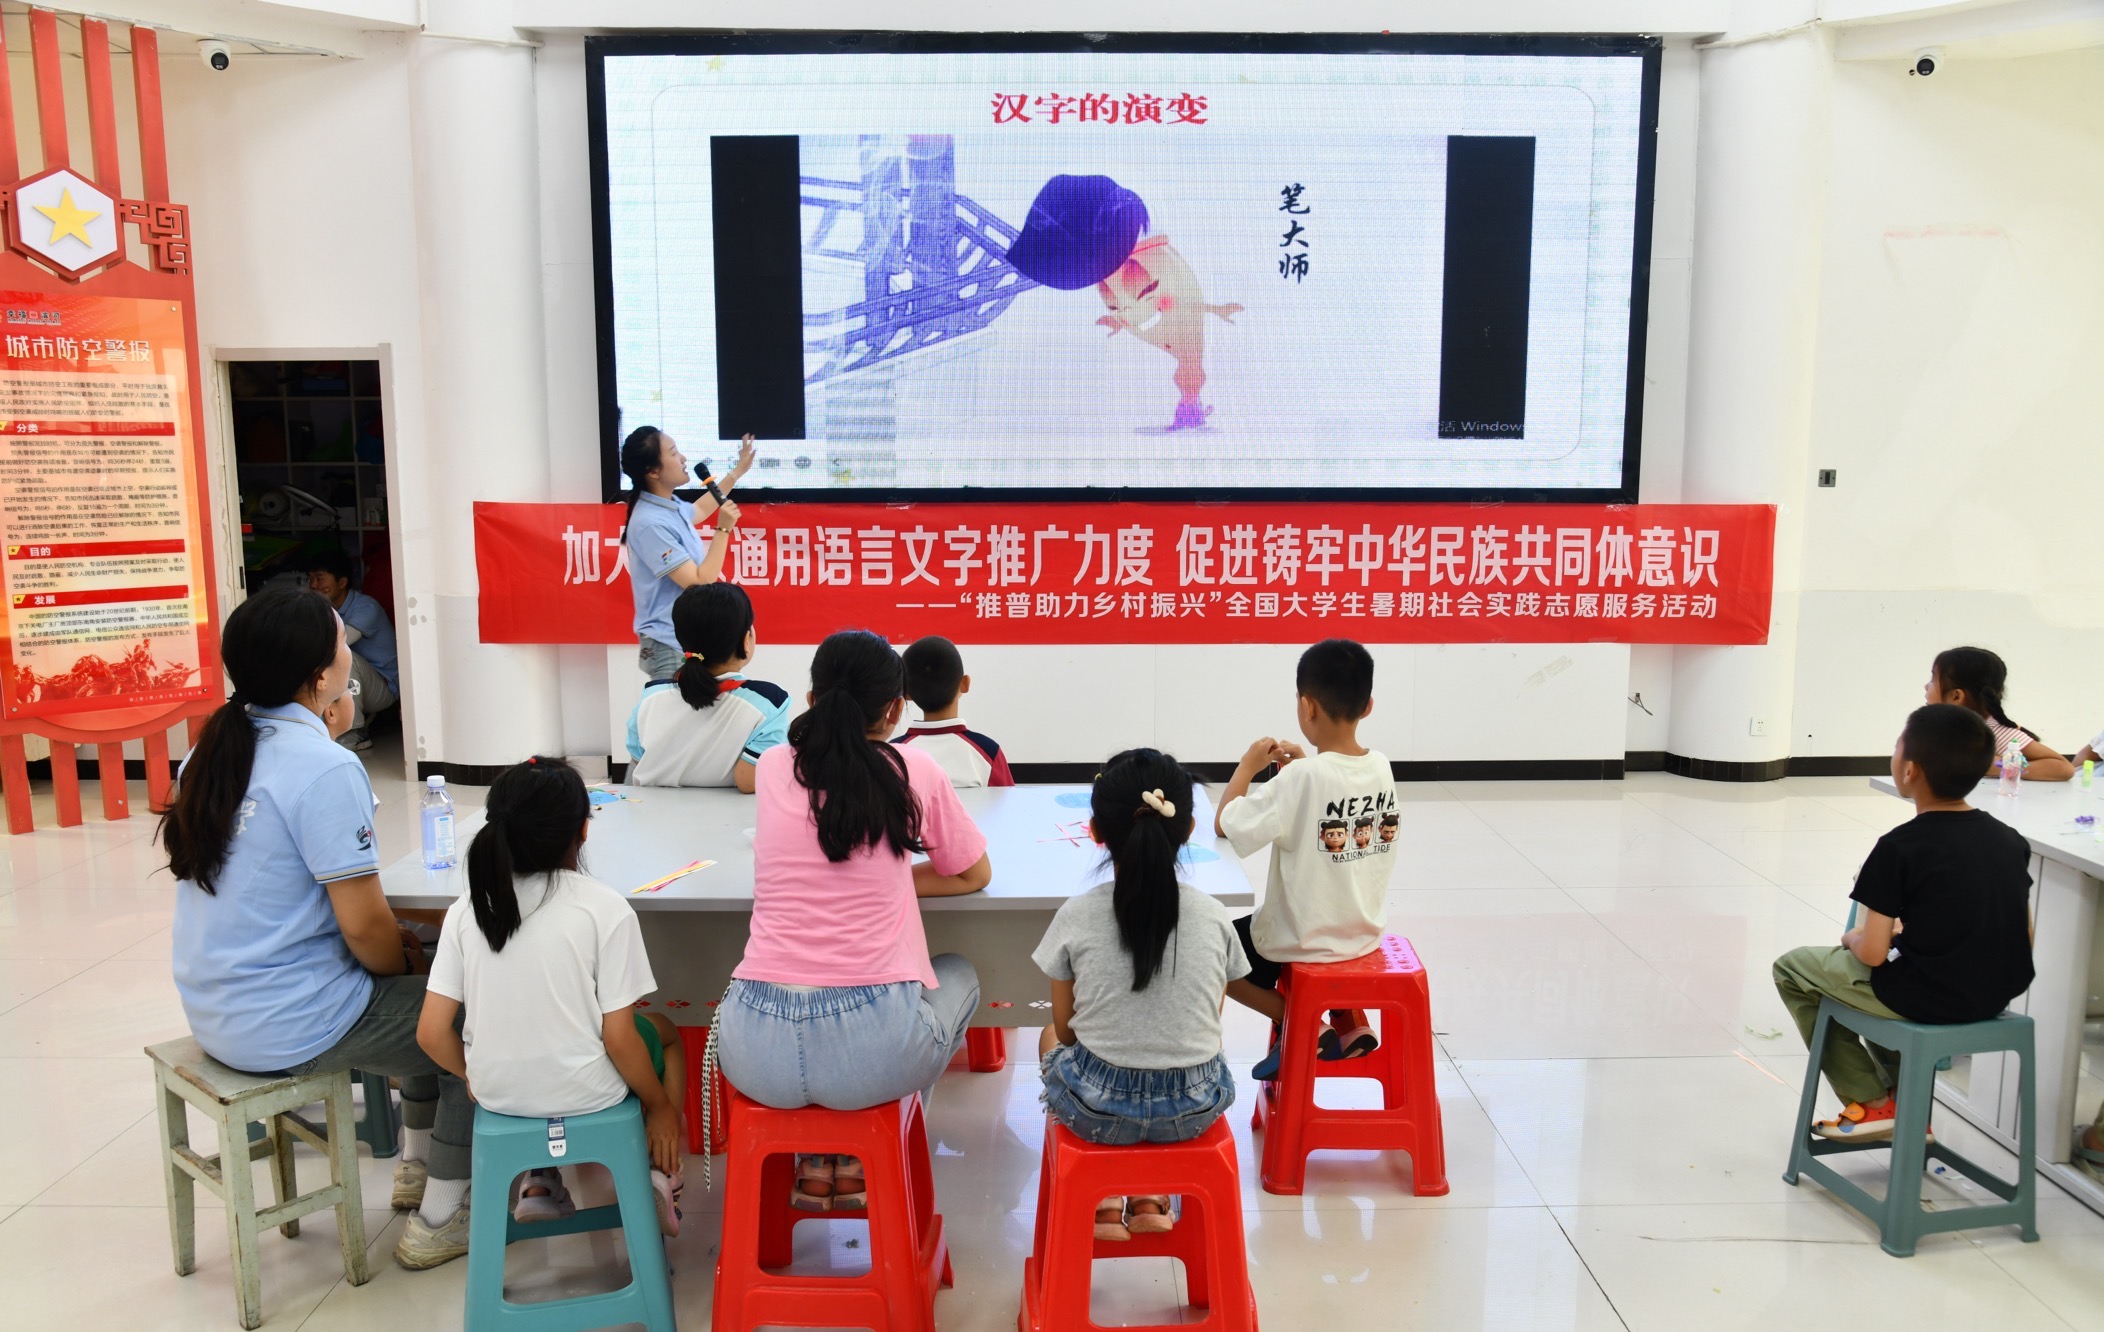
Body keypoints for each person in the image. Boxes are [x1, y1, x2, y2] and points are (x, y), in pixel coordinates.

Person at [161, 587, 474, 1271]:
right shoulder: (323, 765)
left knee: (424, 987)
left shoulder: (210, 750)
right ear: (321, 677)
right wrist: (406, 964)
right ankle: (444, 1213)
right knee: (465, 1018)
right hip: (289, 1021)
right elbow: (363, 928)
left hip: (215, 1009)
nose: (348, 653)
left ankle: (418, 1166)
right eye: (341, 643)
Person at [714, 630, 992, 1211]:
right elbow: (972, 874)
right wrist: (894, 875)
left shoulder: (774, 766)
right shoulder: (913, 769)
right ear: (896, 709)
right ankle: (867, 1148)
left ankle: (819, 1156)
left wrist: (884, 875)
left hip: (755, 1049)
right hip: (873, 1051)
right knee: (960, 972)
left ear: (812, 700)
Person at [415, 757, 687, 1235]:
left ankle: (539, 1180)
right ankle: (659, 1172)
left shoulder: (467, 909)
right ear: (583, 830)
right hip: (589, 1092)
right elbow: (619, 1038)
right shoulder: (605, 908)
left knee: (539, 1034)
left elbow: (431, 1033)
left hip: (500, 1093)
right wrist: (661, 1107)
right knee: (664, 1033)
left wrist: (473, 1075)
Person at [1772, 704, 2034, 1140]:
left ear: (1909, 770)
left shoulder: (1898, 847)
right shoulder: (2009, 840)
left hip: (1925, 996)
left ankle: (1874, 1103)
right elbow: (2023, 934)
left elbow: (1873, 953)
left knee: (1795, 968)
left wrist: (1852, 937)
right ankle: (1905, 1102)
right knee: (1881, 977)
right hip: (1995, 994)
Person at [1032, 749, 1246, 1240]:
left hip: (1097, 1111)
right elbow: (1208, 1022)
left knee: (1048, 1036)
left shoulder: (1076, 915)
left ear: (1095, 832)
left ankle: (1103, 1199)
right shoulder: (1214, 917)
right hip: (1193, 1109)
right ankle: (1151, 1197)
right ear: (1188, 831)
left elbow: (1067, 1030)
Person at [1214, 639, 1398, 1081]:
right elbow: (1329, 784)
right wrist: (1302, 768)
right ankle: (1348, 1019)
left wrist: (1247, 767)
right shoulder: (1381, 766)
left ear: (1306, 705)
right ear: (1368, 706)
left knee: (1210, 955)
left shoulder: (1301, 777)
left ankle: (1301, 1020)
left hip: (1301, 937)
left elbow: (1226, 823)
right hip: (1362, 934)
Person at [626, 583, 789, 791]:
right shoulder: (769, 702)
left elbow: (639, 760)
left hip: (650, 811)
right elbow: (748, 781)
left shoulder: (651, 696)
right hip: (727, 813)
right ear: (745, 641)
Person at [620, 426, 753, 680]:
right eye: (673, 453)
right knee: (677, 707)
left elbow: (700, 510)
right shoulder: (650, 523)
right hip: (669, 646)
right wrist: (724, 528)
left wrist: (737, 471)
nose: (683, 459)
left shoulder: (667, 505)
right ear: (653, 471)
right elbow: (700, 582)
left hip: (684, 641)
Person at [1926, 646, 2073, 781]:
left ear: (1956, 696)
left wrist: (1997, 766)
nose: (1926, 686)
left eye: (1933, 680)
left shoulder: (1992, 732)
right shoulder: (1940, 728)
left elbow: (2064, 768)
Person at [306, 546, 396, 752]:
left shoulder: (366, 607)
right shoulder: (326, 608)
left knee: (343, 655)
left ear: (342, 582)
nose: (314, 585)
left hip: (383, 688)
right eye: (310, 579)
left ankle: (354, 733)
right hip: (354, 684)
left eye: (320, 578)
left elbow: (339, 643)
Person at [892, 635, 1014, 788]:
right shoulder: (988, 752)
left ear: (907, 693)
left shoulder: (891, 754)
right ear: (965, 683)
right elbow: (1009, 802)